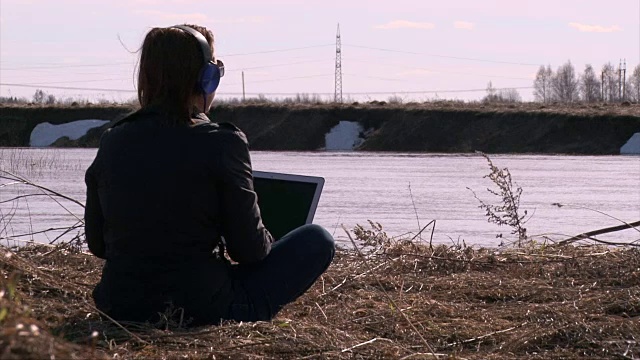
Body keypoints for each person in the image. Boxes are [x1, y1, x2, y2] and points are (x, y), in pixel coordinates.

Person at [84, 24, 335, 327]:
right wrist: (266, 233)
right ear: (206, 78)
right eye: (217, 70)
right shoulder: (222, 141)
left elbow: (98, 244)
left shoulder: (113, 140)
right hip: (201, 309)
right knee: (316, 239)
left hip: (120, 308)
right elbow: (250, 252)